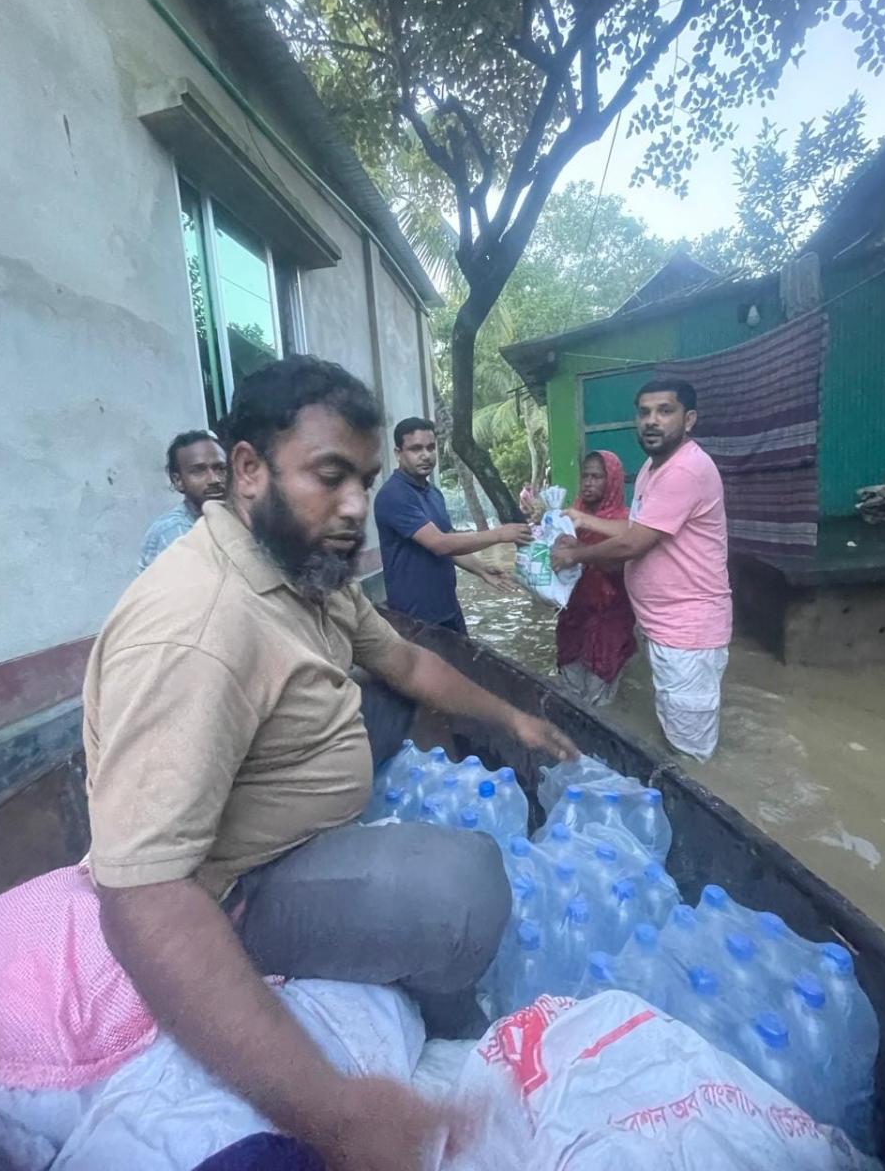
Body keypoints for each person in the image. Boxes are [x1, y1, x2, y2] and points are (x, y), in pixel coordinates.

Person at [85, 357, 577, 1170]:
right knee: (462, 889)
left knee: (384, 698)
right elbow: (140, 899)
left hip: (283, 802)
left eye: (366, 480)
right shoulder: (195, 631)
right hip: (236, 891)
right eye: (330, 476)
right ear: (248, 469)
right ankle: (445, 1021)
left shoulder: (304, 559)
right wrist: (337, 1115)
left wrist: (511, 716)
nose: (356, 506)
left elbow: (405, 662)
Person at [553, 378, 731, 762]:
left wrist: (576, 555)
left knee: (690, 754)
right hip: (666, 627)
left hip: (688, 632)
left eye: (665, 411)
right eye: (644, 412)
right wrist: (582, 523)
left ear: (689, 419)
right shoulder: (654, 468)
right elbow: (636, 527)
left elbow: (633, 544)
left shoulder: (685, 470)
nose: (652, 420)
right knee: (674, 731)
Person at [373, 418, 532, 633]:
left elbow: (450, 542)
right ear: (398, 453)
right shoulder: (394, 495)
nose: (426, 455)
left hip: (448, 609)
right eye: (416, 449)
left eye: (431, 447)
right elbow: (439, 544)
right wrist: (499, 534)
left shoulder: (434, 493)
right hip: (415, 619)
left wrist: (481, 569)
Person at [557, 450, 636, 706]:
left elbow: (616, 565)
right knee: (569, 696)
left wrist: (578, 552)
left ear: (612, 480)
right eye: (585, 476)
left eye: (597, 477)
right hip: (573, 620)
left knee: (598, 700)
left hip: (608, 624)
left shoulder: (625, 523)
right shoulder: (569, 518)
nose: (588, 483)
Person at [138, 430, 227, 572]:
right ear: (178, 481)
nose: (214, 479)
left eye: (221, 468)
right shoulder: (175, 531)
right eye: (199, 471)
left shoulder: (231, 519)